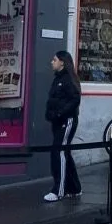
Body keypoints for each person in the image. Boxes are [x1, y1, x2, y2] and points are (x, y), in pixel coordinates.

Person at [44, 51, 81, 201]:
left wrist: (60, 113)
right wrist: (51, 114)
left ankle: (59, 190)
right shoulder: (58, 79)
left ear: (62, 62)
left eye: (54, 60)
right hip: (58, 121)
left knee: (58, 152)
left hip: (67, 121)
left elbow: (74, 100)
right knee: (64, 153)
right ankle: (75, 188)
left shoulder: (68, 79)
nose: (52, 62)